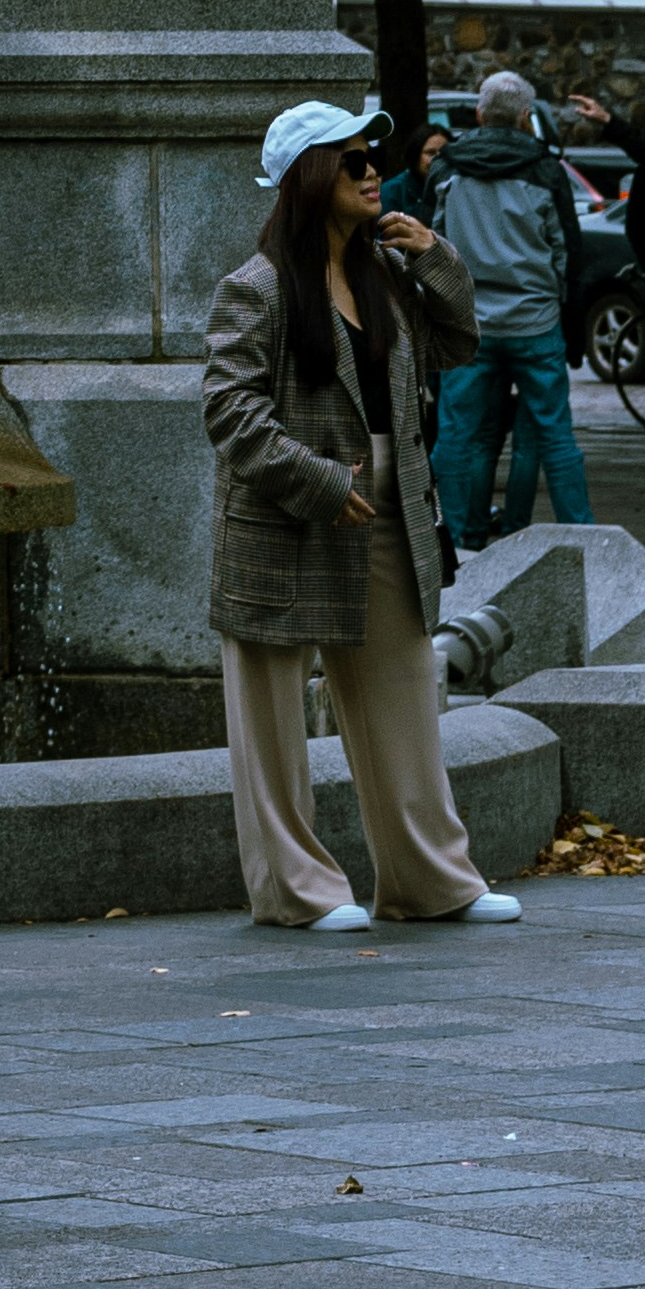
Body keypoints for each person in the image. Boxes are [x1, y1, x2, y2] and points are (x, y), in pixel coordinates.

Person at [206, 99, 518, 934]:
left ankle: (429, 880)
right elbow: (229, 411)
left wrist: (438, 258)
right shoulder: (257, 287)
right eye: (351, 160)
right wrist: (309, 479)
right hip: (287, 516)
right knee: (270, 714)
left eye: (372, 155)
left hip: (389, 506)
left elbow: (457, 348)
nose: (373, 169)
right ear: (312, 179)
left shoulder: (383, 271)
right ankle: (296, 889)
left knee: (405, 688)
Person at [428, 66, 596, 543]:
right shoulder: (545, 170)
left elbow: (428, 244)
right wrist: (568, 317)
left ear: (479, 114)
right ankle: (582, 538)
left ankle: (450, 539)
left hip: (467, 323)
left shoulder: (447, 167)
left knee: (456, 436)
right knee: (554, 434)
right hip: (535, 321)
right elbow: (567, 252)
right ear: (526, 118)